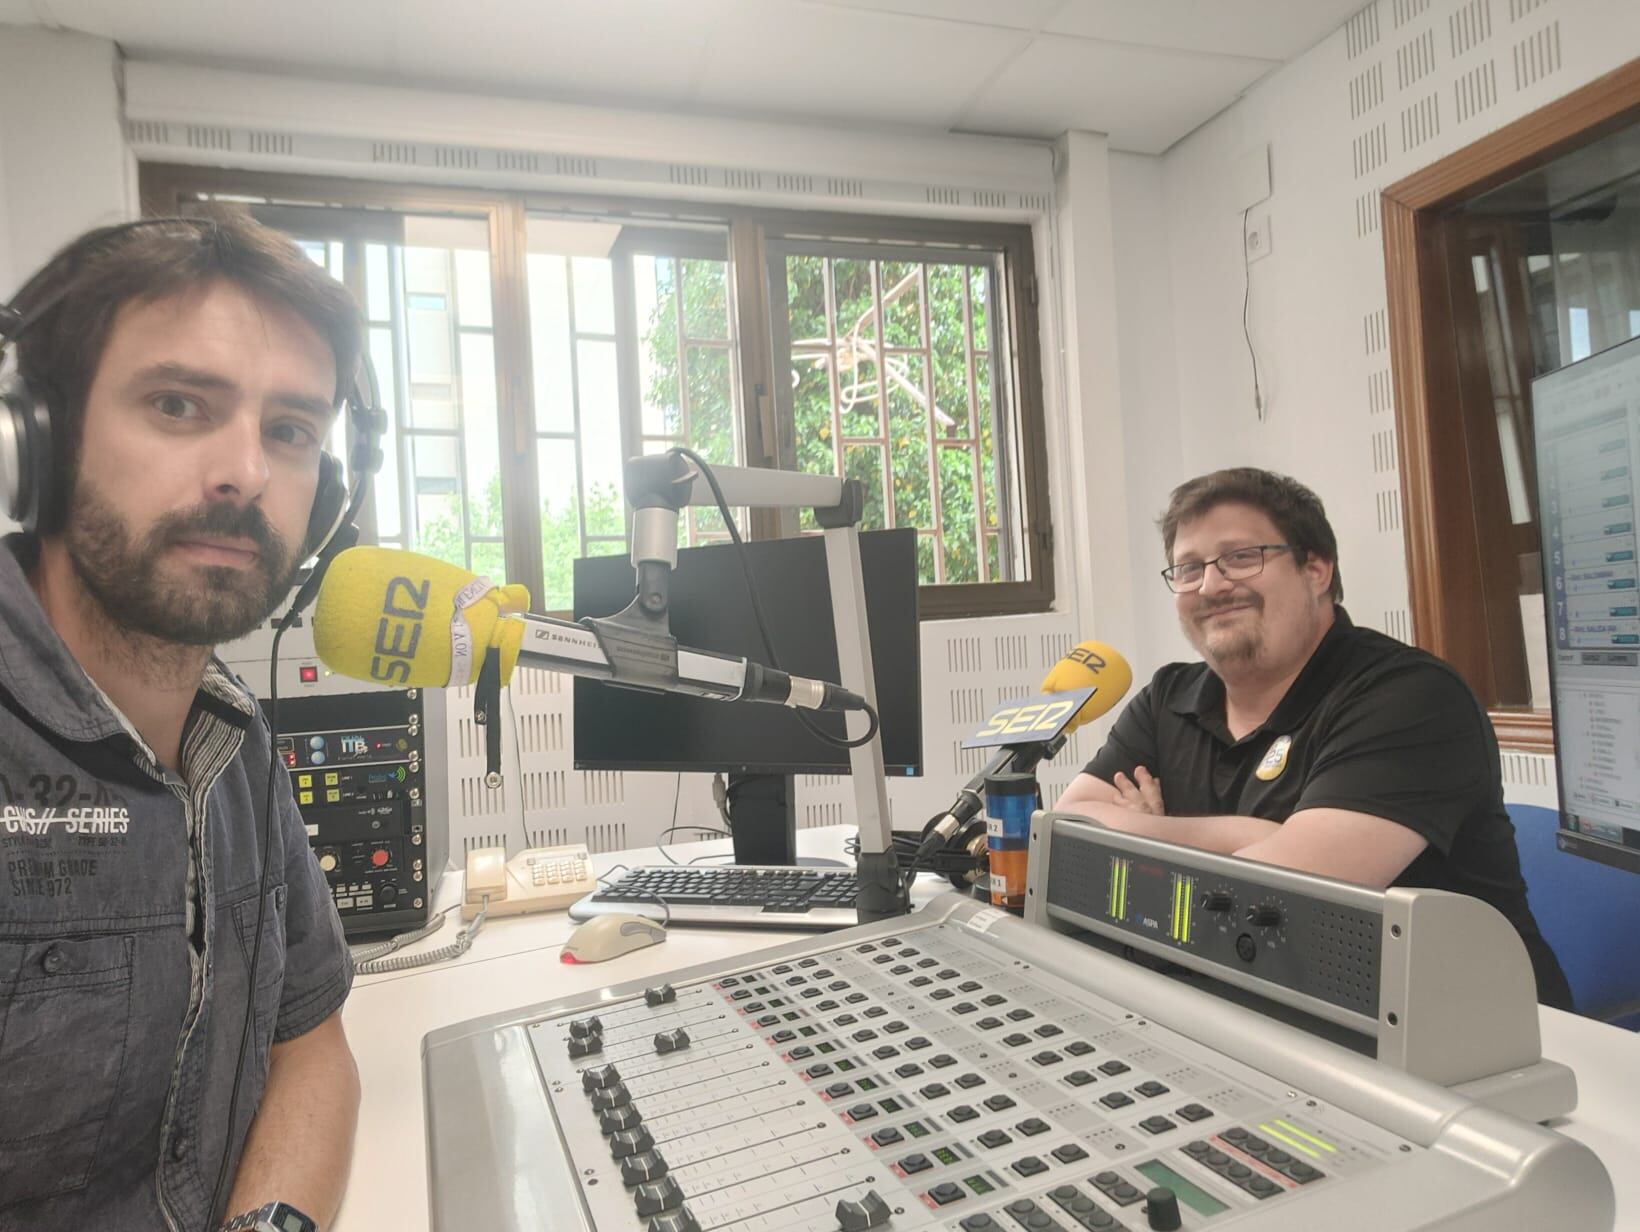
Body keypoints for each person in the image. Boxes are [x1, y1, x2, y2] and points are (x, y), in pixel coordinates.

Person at [0, 215, 361, 1230]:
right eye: (177, 403)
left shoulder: (234, 745)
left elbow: (312, 1048)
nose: (244, 471)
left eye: (290, 430)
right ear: (38, 441)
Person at [1055, 467, 1572, 1009]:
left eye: (1240, 557)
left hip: (1465, 1045)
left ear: (1317, 569)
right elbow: (1068, 833)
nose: (1210, 584)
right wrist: (1246, 835)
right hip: (1244, 1013)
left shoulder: (1410, 697)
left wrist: (1144, 837)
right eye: (1188, 568)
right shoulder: (1168, 698)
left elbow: (1277, 901)